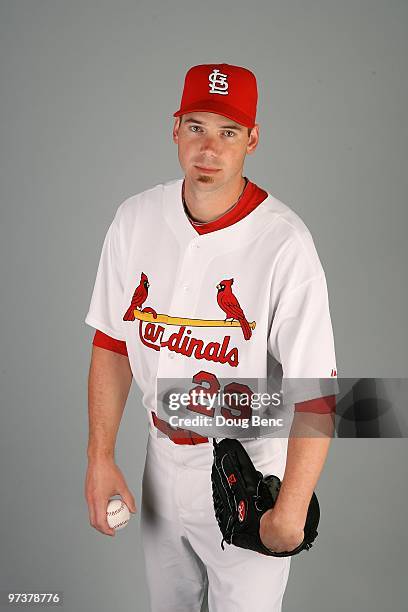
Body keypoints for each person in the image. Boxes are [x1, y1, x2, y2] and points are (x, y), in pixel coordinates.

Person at [84, 63, 338, 612]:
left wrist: (290, 510)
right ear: (174, 128)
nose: (209, 148)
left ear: (252, 138)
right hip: (160, 461)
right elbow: (111, 343)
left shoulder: (285, 243)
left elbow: (316, 393)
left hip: (245, 464)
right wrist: (100, 456)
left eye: (227, 132)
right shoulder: (134, 220)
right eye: (196, 126)